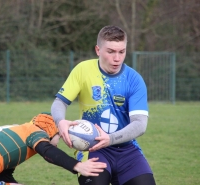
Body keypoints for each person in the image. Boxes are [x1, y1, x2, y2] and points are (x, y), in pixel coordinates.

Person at [51, 25, 156, 185]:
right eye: (111, 51)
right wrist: (61, 121)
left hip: (127, 150)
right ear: (98, 50)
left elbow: (140, 124)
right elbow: (60, 102)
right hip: (93, 149)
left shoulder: (134, 80)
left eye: (122, 52)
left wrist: (111, 138)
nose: (117, 58)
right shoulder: (83, 70)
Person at [0, 113, 107, 185]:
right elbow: (48, 151)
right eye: (60, 133)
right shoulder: (35, 133)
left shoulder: (18, 131)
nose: (63, 138)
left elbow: (5, 175)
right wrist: (77, 165)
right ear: (50, 130)